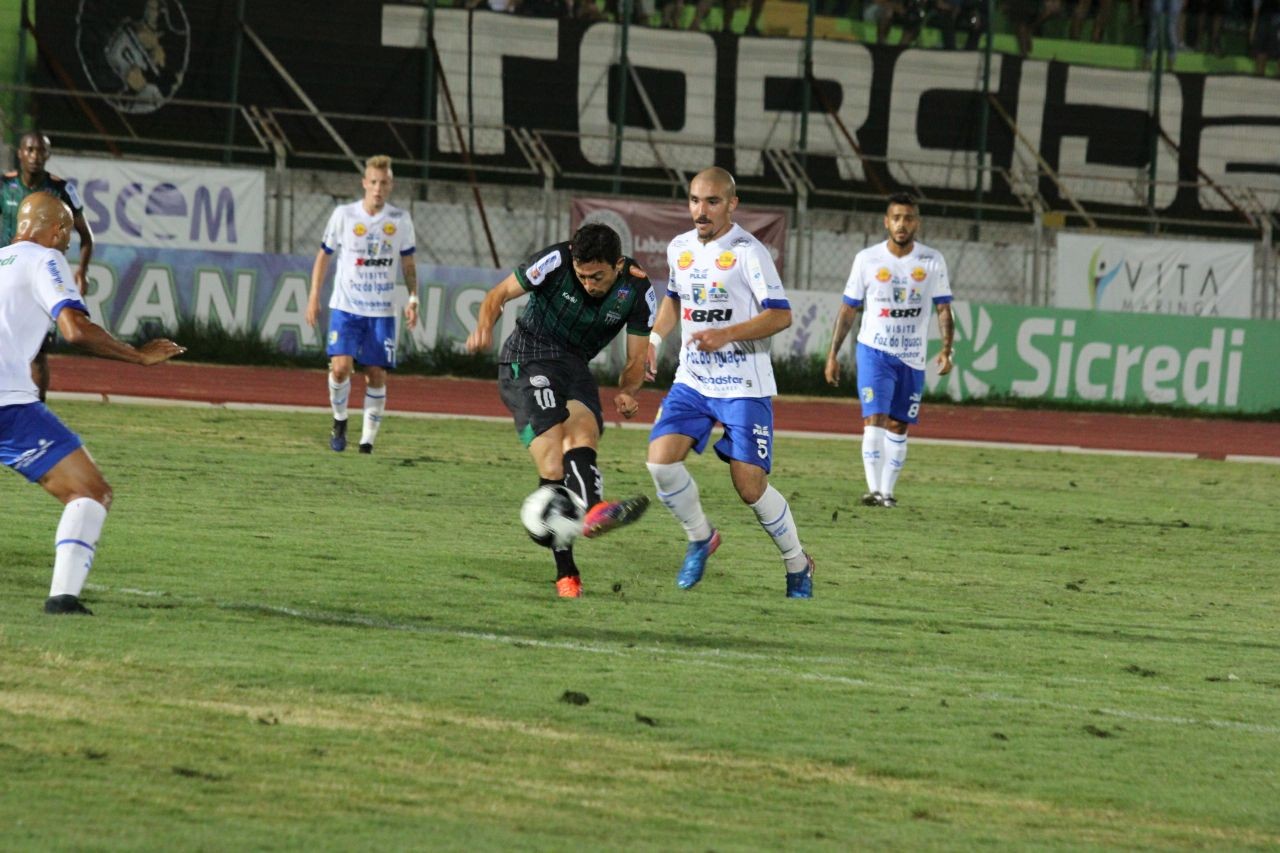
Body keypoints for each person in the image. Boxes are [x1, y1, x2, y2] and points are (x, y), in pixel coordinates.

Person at [1, 193, 184, 614]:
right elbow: (74, 329)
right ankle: (63, 599)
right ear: (58, 230)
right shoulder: (44, 260)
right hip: (6, 403)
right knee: (90, 492)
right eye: (66, 234)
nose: (66, 244)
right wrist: (137, 355)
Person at [644, 167, 815, 599]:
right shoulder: (679, 247)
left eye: (712, 202)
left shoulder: (747, 251)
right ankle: (700, 537)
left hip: (744, 385)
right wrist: (654, 339)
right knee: (660, 463)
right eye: (694, 201)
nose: (701, 211)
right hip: (694, 380)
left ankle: (798, 563)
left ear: (732, 204)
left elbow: (781, 314)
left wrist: (727, 334)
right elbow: (675, 298)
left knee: (749, 487)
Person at [465, 223, 654, 599]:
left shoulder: (637, 289)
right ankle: (566, 570)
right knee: (553, 462)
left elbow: (637, 358)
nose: (588, 284)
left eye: (597, 276)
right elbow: (499, 294)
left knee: (584, 433)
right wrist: (484, 327)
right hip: (527, 359)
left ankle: (593, 511)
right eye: (582, 276)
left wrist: (629, 390)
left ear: (618, 265)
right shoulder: (555, 261)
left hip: (574, 366)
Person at [823, 192, 954, 509]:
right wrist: (833, 354)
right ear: (886, 222)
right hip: (874, 351)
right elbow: (848, 309)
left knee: (898, 424)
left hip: (912, 356)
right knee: (874, 418)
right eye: (896, 218)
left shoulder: (931, 260)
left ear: (917, 223)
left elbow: (944, 309)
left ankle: (886, 493)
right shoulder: (867, 259)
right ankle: (873, 490)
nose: (902, 224)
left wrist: (947, 349)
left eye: (908, 218)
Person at [306, 155, 419, 455]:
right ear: (364, 184)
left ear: (390, 185)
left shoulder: (400, 220)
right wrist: (313, 295)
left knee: (376, 374)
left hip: (381, 311)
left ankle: (367, 443)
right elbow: (323, 256)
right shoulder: (344, 215)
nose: (378, 188)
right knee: (341, 369)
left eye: (384, 183)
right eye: (373, 183)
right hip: (346, 307)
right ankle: (340, 420)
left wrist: (413, 297)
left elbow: (408, 263)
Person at [1, 131, 96, 402]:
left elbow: (86, 236)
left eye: (41, 151)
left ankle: (37, 406)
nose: (35, 156)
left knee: (39, 350)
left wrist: (82, 271)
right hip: (8, 275)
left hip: (41, 275)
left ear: (48, 155)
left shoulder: (61, 189)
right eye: (30, 150)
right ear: (19, 153)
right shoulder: (4, 186)